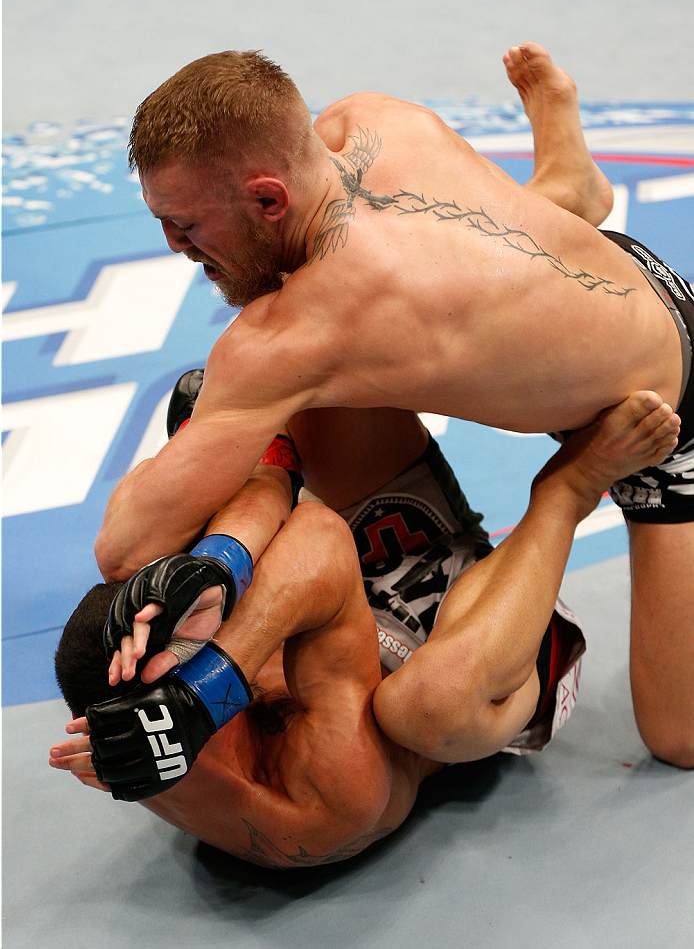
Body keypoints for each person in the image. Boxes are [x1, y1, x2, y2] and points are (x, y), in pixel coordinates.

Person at [92, 42, 694, 767]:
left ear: (268, 198)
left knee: (679, 738)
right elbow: (472, 255)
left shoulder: (300, 334)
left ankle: (570, 482)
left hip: (663, 412)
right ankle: (569, 190)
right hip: (618, 275)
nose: (175, 247)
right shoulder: (371, 119)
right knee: (475, 261)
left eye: (187, 226)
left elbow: (123, 548)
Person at [50, 392, 678, 863]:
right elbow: (318, 544)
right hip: (492, 653)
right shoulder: (313, 794)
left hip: (386, 546)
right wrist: (212, 682)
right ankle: (569, 489)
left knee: (291, 374)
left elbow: (266, 482)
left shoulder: (143, 719)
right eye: (185, 656)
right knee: (425, 706)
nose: (196, 641)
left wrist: (215, 558)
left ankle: (562, 209)